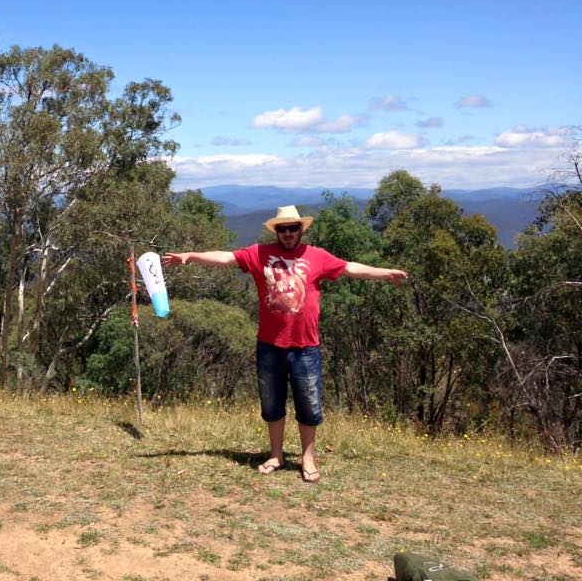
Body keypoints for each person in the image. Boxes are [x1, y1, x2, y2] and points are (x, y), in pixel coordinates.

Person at [163, 205, 407, 483]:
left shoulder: (317, 256)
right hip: (270, 346)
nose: (288, 233)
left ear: (301, 230)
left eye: (293, 228)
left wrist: (386, 273)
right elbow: (226, 257)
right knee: (272, 404)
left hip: (306, 347)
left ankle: (308, 458)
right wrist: (191, 256)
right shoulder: (259, 254)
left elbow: (350, 268)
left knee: (309, 406)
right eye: (283, 229)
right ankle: (276, 455)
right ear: (276, 231)